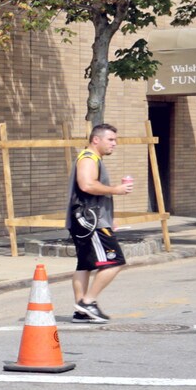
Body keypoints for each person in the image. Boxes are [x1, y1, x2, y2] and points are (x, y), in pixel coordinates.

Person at [67, 122, 136, 322]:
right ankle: (88, 302)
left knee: (85, 265)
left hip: (87, 220)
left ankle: (81, 312)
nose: (114, 144)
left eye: (115, 140)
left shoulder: (92, 158)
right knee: (115, 262)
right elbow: (87, 185)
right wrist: (116, 190)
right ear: (96, 140)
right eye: (110, 139)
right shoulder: (89, 158)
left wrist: (109, 218)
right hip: (91, 222)